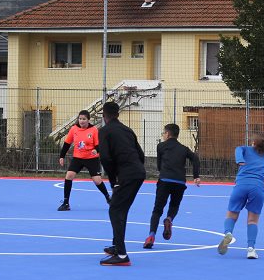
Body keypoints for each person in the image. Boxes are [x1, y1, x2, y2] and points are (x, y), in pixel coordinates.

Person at [98, 101, 145, 266]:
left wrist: (113, 181)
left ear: (104, 116)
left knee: (115, 210)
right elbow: (141, 155)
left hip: (127, 175)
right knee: (121, 209)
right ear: (118, 114)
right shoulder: (128, 130)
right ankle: (117, 247)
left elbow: (105, 158)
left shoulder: (104, 131)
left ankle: (122, 255)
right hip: (138, 172)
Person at [217, 131, 264, 260]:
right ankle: (251, 249)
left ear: (253, 143)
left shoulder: (245, 150)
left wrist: (239, 160)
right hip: (257, 188)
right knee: (252, 220)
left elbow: (238, 149)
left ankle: (228, 233)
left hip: (241, 186)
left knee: (232, 214)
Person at [143, 123, 201, 249]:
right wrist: (196, 176)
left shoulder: (161, 146)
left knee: (157, 210)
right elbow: (195, 159)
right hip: (180, 182)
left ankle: (151, 236)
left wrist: (163, 170)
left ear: (168, 134)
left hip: (165, 180)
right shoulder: (184, 148)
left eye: (163, 133)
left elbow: (159, 166)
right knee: (174, 205)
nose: (163, 135)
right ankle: (169, 219)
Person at [57, 109, 111, 211]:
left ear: (88, 120)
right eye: (80, 119)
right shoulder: (74, 129)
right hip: (78, 158)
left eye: (84, 119)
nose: (81, 121)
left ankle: (108, 197)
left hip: (91, 159)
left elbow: (98, 145)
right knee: (69, 176)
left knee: (97, 180)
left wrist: (96, 150)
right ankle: (66, 203)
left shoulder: (94, 130)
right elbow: (67, 144)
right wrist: (61, 156)